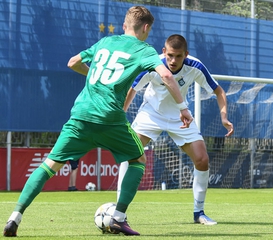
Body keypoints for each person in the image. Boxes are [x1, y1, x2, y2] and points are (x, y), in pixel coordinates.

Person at [3, 7, 193, 237]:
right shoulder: (144, 49)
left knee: (49, 164)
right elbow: (165, 75)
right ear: (145, 28)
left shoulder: (105, 42)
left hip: (81, 116)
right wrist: (183, 108)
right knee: (138, 159)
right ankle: (119, 218)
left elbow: (73, 62)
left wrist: (96, 75)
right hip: (109, 119)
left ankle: (15, 216)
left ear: (124, 26)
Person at [117, 34, 234, 225]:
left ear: (185, 55)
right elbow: (133, 89)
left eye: (178, 56)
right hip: (151, 114)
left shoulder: (195, 66)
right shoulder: (152, 64)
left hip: (181, 117)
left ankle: (199, 213)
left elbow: (219, 91)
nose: (173, 60)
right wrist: (121, 114)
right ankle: (118, 210)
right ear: (164, 52)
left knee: (202, 160)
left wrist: (224, 117)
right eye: (170, 55)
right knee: (129, 152)